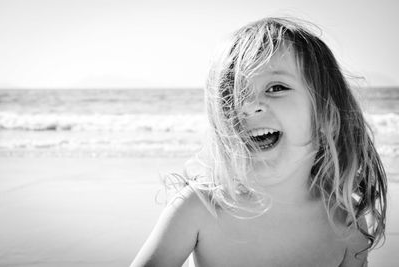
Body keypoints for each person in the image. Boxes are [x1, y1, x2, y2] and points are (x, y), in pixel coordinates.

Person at [130, 17, 387, 267]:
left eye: (276, 87)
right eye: (233, 93)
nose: (248, 106)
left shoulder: (346, 223)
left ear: (327, 116)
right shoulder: (200, 209)